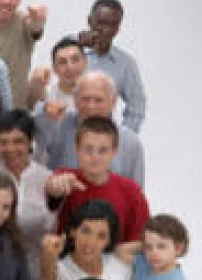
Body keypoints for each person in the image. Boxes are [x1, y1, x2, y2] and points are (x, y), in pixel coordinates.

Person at [0, 109, 55, 280]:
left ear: (30, 142)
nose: (10, 149)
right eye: (3, 142)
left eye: (18, 141)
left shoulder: (46, 178)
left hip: (35, 268)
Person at [44, 115, 149, 243]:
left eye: (103, 150)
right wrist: (55, 189)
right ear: (77, 149)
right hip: (68, 259)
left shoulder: (132, 191)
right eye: (88, 149)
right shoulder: (64, 177)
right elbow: (52, 190)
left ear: (114, 151)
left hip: (115, 260)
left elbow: (141, 241)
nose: (95, 157)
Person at [35, 72, 144, 186]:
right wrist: (44, 109)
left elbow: (136, 191)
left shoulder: (130, 142)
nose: (91, 107)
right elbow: (29, 133)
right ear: (75, 100)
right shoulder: (58, 125)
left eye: (98, 100)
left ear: (113, 102)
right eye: (85, 99)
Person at [78, 0, 145, 133]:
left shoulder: (126, 64)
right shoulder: (72, 53)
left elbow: (137, 106)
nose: (106, 30)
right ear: (90, 21)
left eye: (113, 24)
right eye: (101, 22)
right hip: (67, 138)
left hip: (101, 139)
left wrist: (121, 139)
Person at [0, 1, 47, 109]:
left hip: (16, 115)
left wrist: (38, 20)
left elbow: (35, 28)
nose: (6, 2)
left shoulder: (23, 21)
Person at [27, 37, 88, 111]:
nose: (70, 67)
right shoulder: (48, 97)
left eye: (75, 60)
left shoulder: (101, 93)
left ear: (85, 62)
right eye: (62, 62)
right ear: (54, 68)